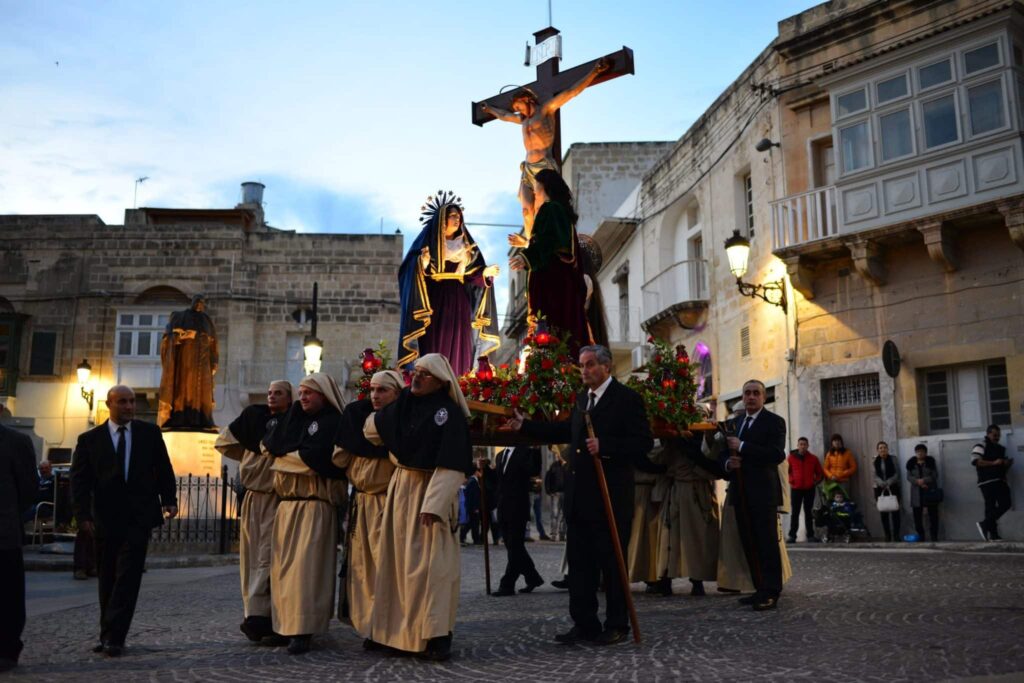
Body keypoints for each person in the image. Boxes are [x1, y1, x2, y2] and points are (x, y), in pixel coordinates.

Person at [509, 344, 653, 646]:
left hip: (610, 498)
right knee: (580, 566)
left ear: (606, 367)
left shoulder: (627, 399)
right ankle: (584, 623)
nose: (584, 370)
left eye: (589, 365)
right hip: (579, 499)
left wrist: (607, 446)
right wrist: (526, 426)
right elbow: (566, 432)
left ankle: (617, 624)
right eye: (582, 365)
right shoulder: (581, 400)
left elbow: (642, 443)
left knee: (612, 566)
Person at [364, 353, 475, 661]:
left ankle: (435, 635)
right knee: (397, 566)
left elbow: (453, 463)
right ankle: (396, 633)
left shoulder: (448, 413)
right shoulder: (404, 406)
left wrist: (435, 504)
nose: (418, 377)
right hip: (402, 490)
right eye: (416, 372)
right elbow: (371, 430)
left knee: (431, 569)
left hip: (429, 494)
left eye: (426, 374)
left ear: (441, 380)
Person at [70, 385, 178, 657]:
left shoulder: (149, 433)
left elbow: (163, 467)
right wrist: (82, 515)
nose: (130, 406)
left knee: (128, 577)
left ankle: (115, 637)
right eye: (123, 402)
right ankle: (108, 633)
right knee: (107, 577)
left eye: (132, 401)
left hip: (138, 517)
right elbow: (79, 482)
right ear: (110, 404)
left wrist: (169, 498)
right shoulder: (89, 440)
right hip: (104, 519)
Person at [262, 373, 348, 655]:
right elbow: (270, 448)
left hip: (314, 505)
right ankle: (284, 626)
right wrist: (286, 458)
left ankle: (304, 629)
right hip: (287, 506)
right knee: (283, 571)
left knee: (307, 572)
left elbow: (314, 461)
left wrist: (283, 459)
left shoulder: (331, 423)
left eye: (309, 392)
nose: (303, 397)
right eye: (301, 391)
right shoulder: (295, 420)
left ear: (323, 394)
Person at [480, 58, 610, 234]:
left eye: (519, 106)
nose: (518, 110)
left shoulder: (546, 110)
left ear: (527, 99)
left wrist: (595, 71)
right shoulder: (522, 120)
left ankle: (541, 239)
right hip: (528, 168)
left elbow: (571, 92)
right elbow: (504, 115)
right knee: (526, 211)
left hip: (544, 166)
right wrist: (490, 110)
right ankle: (529, 241)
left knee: (543, 208)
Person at [214, 380, 292, 643]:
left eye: (278, 393)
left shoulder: (291, 423)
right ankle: (254, 613)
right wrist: (250, 456)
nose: (271, 396)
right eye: (269, 392)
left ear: (289, 398)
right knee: (250, 557)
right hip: (252, 500)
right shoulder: (255, 419)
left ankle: (262, 617)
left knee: (267, 557)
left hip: (275, 499)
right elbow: (225, 442)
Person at [333, 369, 401, 643]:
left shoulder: (400, 419)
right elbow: (340, 458)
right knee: (361, 569)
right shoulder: (356, 415)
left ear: (396, 393)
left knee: (386, 567)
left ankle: (389, 627)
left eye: (382, 390)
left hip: (389, 502)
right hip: (362, 501)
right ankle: (368, 626)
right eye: (372, 390)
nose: (375, 395)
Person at [397, 198, 501, 376]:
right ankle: (432, 379)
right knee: (435, 343)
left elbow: (471, 275)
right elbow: (408, 270)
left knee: (461, 342)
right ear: (441, 220)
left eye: (459, 215)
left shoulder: (467, 246)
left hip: (460, 301)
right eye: (452, 215)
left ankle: (459, 382)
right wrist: (422, 263)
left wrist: (484, 273)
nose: (457, 219)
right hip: (434, 301)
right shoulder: (427, 245)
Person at [717, 380, 787, 611]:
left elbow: (776, 454)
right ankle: (758, 587)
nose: (751, 397)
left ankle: (771, 591)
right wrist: (728, 463)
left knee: (766, 543)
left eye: (756, 393)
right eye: (747, 393)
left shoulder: (774, 422)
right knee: (748, 542)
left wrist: (744, 446)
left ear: (764, 397)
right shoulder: (734, 423)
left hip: (763, 493)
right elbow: (722, 455)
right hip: (740, 491)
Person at [509, 169, 593, 354]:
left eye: (536, 185)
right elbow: (552, 241)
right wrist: (526, 245)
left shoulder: (551, 208)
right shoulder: (559, 211)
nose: (534, 190)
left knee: (552, 332)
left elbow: (549, 242)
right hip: (560, 283)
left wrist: (526, 257)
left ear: (544, 185)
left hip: (553, 286)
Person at [652, 435, 721, 597]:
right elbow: (660, 460)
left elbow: (713, 465)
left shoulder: (704, 442)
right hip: (676, 491)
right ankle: (666, 578)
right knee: (670, 537)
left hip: (697, 493)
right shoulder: (671, 443)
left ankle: (697, 580)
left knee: (697, 538)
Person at [0, 419, 37, 672]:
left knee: (8, 596)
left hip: (4, 533)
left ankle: (6, 649)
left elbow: (29, 491)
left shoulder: (16, 441)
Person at [158, 294, 219, 429]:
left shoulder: (207, 320)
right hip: (186, 358)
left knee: (204, 391)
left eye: (202, 303)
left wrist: (215, 361)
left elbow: (214, 342)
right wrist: (184, 336)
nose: (199, 305)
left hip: (203, 361)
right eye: (197, 301)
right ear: (192, 302)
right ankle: (180, 416)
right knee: (185, 388)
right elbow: (169, 337)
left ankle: (203, 418)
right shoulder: (179, 316)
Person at [492, 446, 545, 596]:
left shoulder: (525, 451)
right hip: (503, 507)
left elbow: (533, 470)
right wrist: (485, 470)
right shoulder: (500, 455)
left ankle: (507, 585)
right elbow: (498, 479)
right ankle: (532, 577)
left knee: (515, 546)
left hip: (518, 507)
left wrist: (536, 450)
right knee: (513, 546)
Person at [972, 424, 1013, 541]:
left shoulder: (1000, 448)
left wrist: (1006, 465)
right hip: (987, 481)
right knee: (1002, 504)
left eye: (998, 435)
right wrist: (994, 463)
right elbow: (976, 461)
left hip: (999, 479)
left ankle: (991, 532)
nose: (997, 437)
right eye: (995, 435)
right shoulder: (981, 445)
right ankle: (987, 527)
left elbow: (1001, 465)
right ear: (988, 433)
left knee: (994, 507)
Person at [786, 437, 823, 543]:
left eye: (804, 444)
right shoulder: (791, 458)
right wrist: (791, 480)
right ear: (797, 446)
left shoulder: (813, 458)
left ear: (808, 446)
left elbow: (819, 473)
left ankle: (810, 535)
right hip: (796, 489)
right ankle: (792, 536)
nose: (802, 446)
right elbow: (786, 471)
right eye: (801, 444)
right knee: (795, 513)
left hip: (809, 489)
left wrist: (815, 481)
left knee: (808, 512)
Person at [907, 443, 940, 542]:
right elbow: (909, 476)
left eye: (922, 451)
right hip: (917, 493)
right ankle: (921, 536)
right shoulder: (911, 463)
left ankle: (934, 536)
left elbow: (934, 475)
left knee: (933, 516)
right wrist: (918, 482)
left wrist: (924, 480)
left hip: (929, 491)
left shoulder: (930, 462)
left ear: (925, 453)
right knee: (917, 517)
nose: (920, 453)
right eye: (918, 452)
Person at [872, 441, 901, 542]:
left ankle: (896, 535)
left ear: (887, 449)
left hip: (893, 487)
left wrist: (888, 482)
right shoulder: (875, 461)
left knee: (895, 512)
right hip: (880, 489)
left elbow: (897, 473)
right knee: (883, 513)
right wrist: (881, 483)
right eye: (880, 448)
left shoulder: (893, 459)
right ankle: (887, 535)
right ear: (878, 450)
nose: (882, 449)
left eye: (884, 447)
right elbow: (874, 475)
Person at [822, 434, 857, 499]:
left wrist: (843, 473)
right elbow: (825, 468)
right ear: (832, 443)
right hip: (832, 481)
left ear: (841, 442)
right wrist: (831, 476)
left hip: (844, 481)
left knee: (845, 499)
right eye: (834, 440)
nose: (836, 442)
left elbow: (853, 467)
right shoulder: (829, 453)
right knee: (831, 499)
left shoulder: (847, 453)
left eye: (838, 440)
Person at [544, 448, 567, 541]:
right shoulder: (553, 466)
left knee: (564, 515)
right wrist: (549, 491)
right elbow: (547, 479)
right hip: (556, 493)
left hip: (565, 493)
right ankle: (554, 534)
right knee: (555, 514)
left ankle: (562, 534)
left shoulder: (567, 466)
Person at [460, 467, 482, 545]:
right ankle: (474, 539)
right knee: (473, 523)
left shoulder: (472, 481)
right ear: (476, 472)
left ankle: (464, 537)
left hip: (471, 506)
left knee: (471, 523)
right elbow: (474, 496)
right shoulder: (473, 481)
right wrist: (475, 507)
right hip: (473, 507)